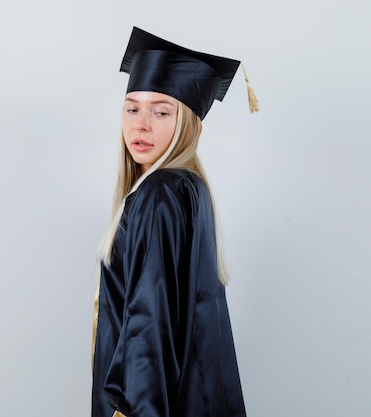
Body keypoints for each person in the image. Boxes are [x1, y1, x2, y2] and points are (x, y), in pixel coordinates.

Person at [91, 27, 257, 417]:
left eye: (161, 111)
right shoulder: (190, 189)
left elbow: (149, 324)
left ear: (192, 126)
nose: (141, 124)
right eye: (132, 108)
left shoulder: (159, 193)